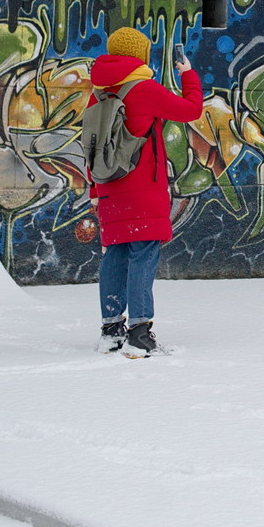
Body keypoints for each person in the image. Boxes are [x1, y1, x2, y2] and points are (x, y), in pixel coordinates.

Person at [91, 25, 204, 357]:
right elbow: (190, 110)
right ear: (140, 55)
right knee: (143, 255)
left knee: (115, 255)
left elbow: (93, 144)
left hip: (108, 186)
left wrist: (95, 190)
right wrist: (188, 75)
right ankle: (140, 333)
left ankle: (111, 331)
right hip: (142, 190)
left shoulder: (98, 91)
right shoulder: (144, 88)